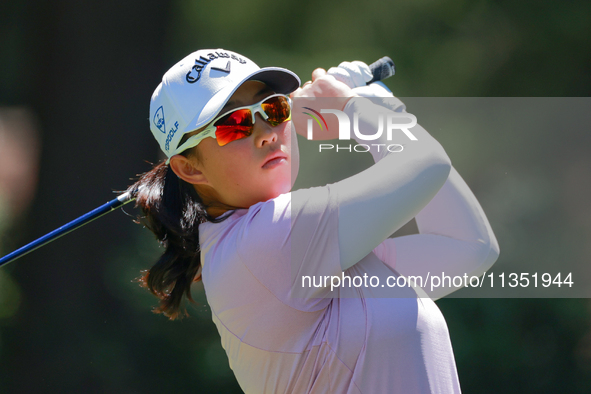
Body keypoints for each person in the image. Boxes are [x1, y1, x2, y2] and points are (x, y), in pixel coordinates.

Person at [129, 48, 500, 393]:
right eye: (234, 125)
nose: (265, 133)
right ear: (189, 168)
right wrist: (353, 108)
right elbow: (427, 164)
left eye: (273, 109)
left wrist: (385, 112)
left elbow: (469, 247)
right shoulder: (265, 240)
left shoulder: (291, 247)